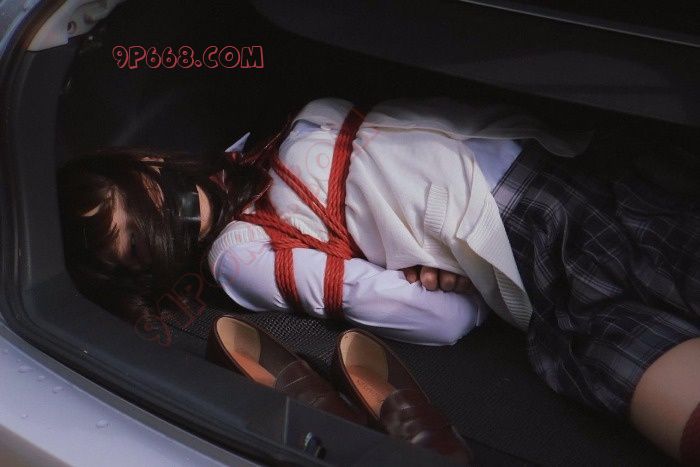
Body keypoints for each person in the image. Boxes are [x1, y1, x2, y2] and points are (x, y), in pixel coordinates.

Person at [57, 97, 700, 463]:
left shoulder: (261, 136)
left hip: (581, 184)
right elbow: (443, 320)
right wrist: (449, 276)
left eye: (139, 206)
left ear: (147, 161)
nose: (164, 224)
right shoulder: (240, 253)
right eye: (140, 246)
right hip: (538, 254)